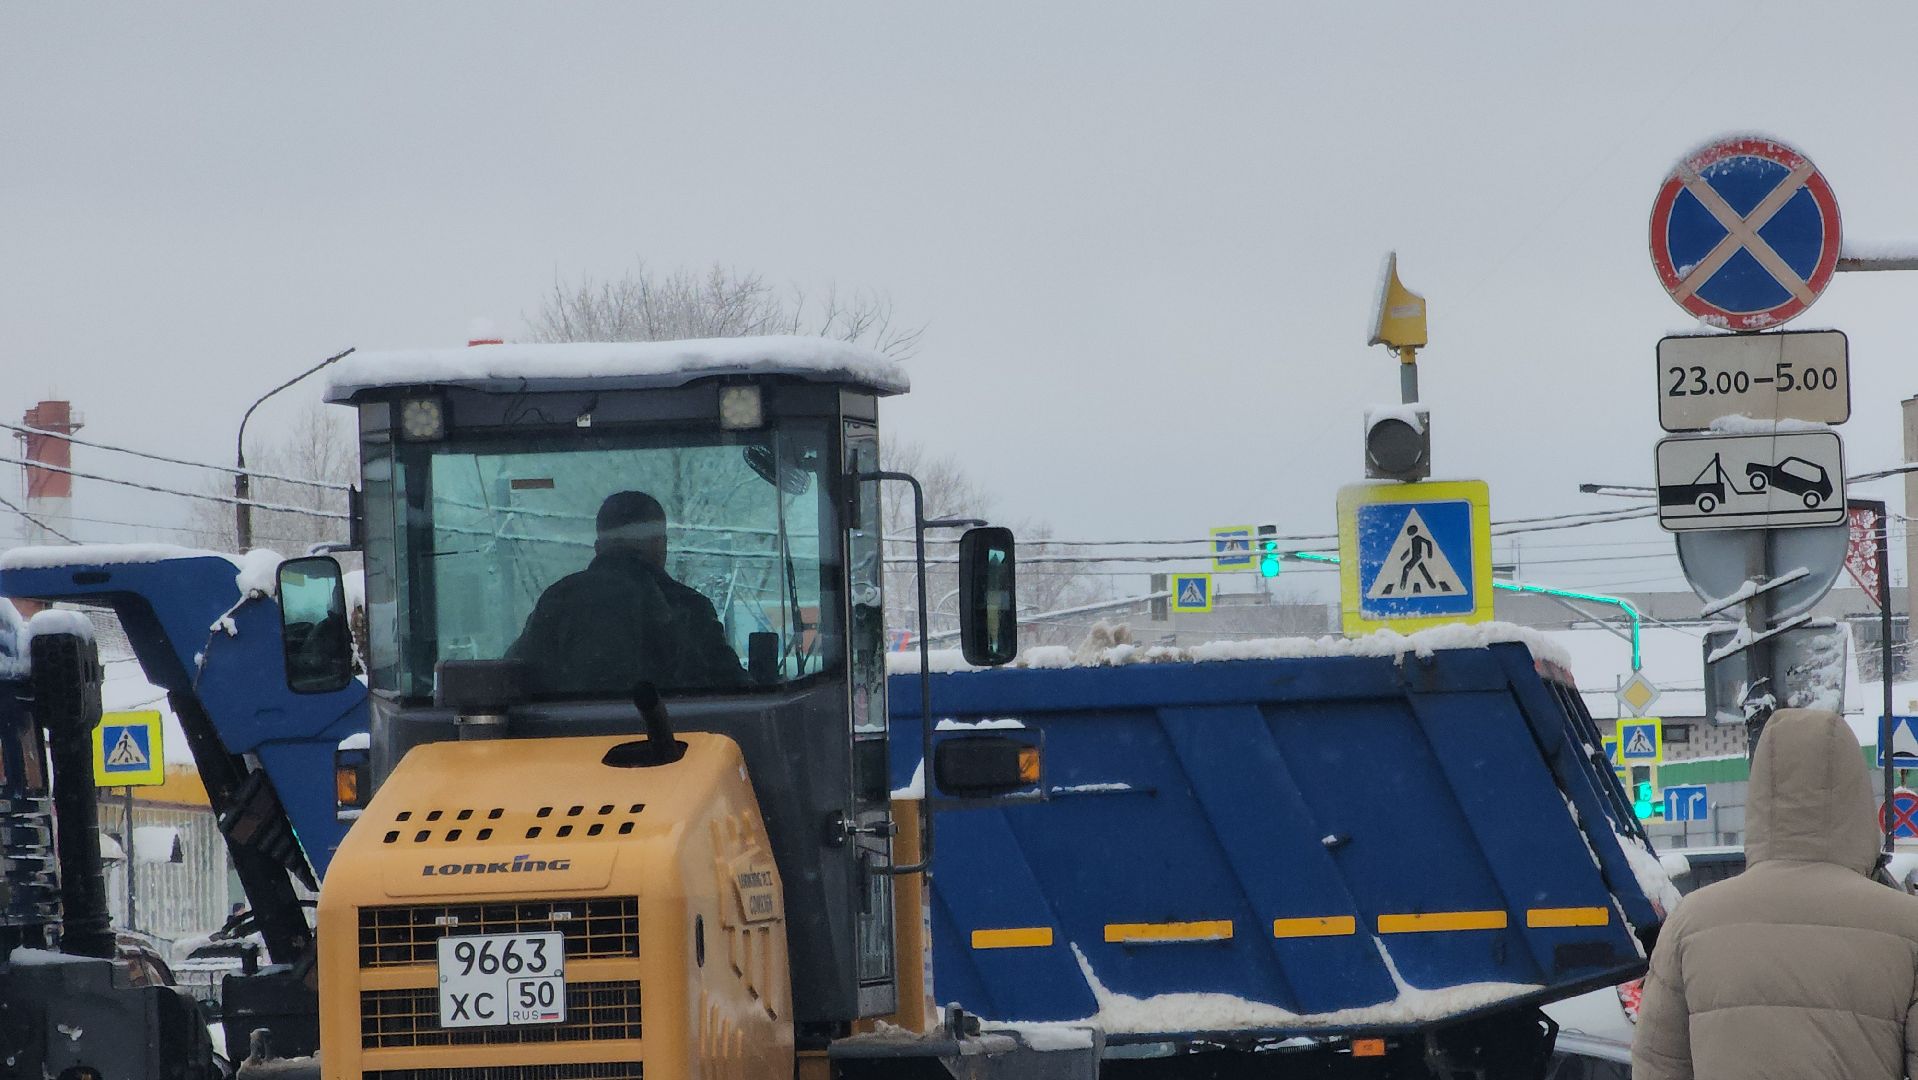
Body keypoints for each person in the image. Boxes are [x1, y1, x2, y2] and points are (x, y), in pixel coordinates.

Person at [1632, 708, 1918, 1080]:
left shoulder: (1691, 922)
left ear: (1761, 795)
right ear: (1857, 794)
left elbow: (1658, 1066)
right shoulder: (1907, 926)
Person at [508, 491, 745, 693]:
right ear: (660, 546)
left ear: (598, 548)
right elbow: (734, 691)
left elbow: (512, 678)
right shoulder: (687, 607)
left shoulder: (558, 600)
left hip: (565, 744)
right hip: (675, 741)